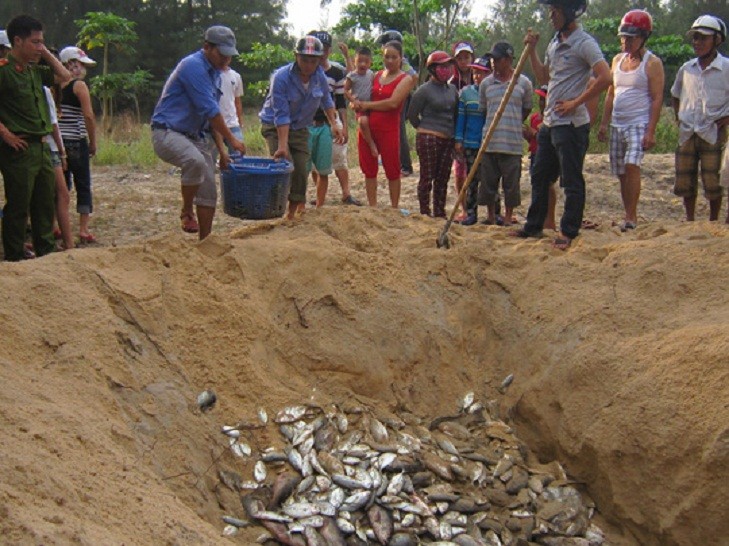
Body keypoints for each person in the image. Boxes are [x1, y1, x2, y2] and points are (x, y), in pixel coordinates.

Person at [516, 0, 611, 249]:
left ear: (569, 12)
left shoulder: (584, 43)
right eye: (550, 11)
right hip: (550, 121)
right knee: (540, 175)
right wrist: (533, 50)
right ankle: (534, 226)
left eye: (555, 10)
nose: (551, 16)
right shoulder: (555, 42)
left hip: (571, 124)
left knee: (571, 179)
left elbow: (606, 76)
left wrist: (576, 102)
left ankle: (569, 231)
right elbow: (544, 76)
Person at [152, 25, 245, 239]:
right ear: (207, 47)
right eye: (222, 54)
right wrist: (232, 138)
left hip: (195, 136)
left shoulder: (215, 74)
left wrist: (223, 152)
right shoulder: (192, 66)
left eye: (229, 56)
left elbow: (212, 120)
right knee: (195, 162)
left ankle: (205, 241)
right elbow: (211, 111)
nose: (226, 60)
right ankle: (186, 211)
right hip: (167, 131)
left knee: (209, 188)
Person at [0, 15, 71, 261]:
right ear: (17, 41)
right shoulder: (4, 71)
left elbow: (65, 76)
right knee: (18, 207)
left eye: (42, 41)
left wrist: (46, 53)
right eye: (34, 42)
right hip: (19, 150)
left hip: (42, 147)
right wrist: (6, 134)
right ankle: (14, 258)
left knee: (44, 206)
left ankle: (46, 256)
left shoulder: (34, 71)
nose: (39, 46)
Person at [259, 36, 343, 219]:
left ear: (319, 60)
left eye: (313, 60)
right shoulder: (281, 77)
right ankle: (273, 205)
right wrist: (282, 146)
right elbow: (280, 114)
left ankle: (292, 212)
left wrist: (333, 123)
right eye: (304, 59)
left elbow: (326, 100)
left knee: (301, 167)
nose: (308, 65)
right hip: (275, 125)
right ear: (296, 56)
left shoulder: (319, 75)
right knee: (283, 164)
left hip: (300, 127)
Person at [597, 10, 664, 232]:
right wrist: (604, 123)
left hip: (638, 122)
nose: (626, 42)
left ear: (644, 37)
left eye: (631, 38)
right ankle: (627, 214)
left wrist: (651, 131)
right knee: (621, 172)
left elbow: (656, 98)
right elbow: (610, 93)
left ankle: (632, 216)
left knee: (632, 165)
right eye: (624, 37)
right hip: (618, 122)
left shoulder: (652, 63)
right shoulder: (617, 60)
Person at [671, 15, 729, 222]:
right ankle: (690, 219)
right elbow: (675, 94)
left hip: (712, 130)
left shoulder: (726, 68)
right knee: (685, 178)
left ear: (717, 40)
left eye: (703, 38)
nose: (697, 42)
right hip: (688, 131)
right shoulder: (686, 69)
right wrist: (679, 117)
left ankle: (713, 219)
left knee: (713, 179)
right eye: (695, 38)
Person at [351, 40, 414, 208]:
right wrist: (356, 103)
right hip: (367, 129)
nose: (390, 61)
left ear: (401, 58)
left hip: (389, 130)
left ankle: (394, 206)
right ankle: (373, 206)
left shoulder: (405, 79)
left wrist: (367, 105)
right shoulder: (376, 75)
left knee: (393, 170)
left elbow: (393, 103)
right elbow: (359, 90)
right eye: (387, 57)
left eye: (394, 57)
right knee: (369, 169)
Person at [479, 42, 533, 227]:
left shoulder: (524, 83)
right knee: (488, 183)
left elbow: (526, 108)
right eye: (492, 59)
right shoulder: (486, 83)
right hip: (490, 141)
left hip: (512, 142)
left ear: (509, 60)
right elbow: (484, 110)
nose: (493, 62)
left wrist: (512, 121)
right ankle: (491, 216)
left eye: (498, 59)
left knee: (511, 184)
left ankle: (508, 217)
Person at [306, 31, 360, 208]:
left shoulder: (336, 71)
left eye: (326, 48)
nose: (323, 52)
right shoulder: (306, 71)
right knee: (315, 162)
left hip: (331, 120)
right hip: (309, 121)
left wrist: (344, 126)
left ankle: (346, 193)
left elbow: (340, 101)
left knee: (339, 158)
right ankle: (320, 195)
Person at [408, 51, 459, 217]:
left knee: (443, 178)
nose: (446, 70)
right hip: (428, 137)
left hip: (447, 138)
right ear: (432, 69)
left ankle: (439, 211)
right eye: (442, 66)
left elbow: (455, 114)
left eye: (448, 66)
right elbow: (412, 115)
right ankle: (424, 211)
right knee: (427, 176)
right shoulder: (423, 91)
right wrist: (424, 129)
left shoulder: (452, 89)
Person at [58, 46, 98, 244]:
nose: (82, 70)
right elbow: (88, 115)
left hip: (58, 144)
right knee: (83, 185)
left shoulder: (53, 86)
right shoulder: (79, 86)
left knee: (61, 187)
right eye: (80, 64)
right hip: (76, 141)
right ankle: (83, 229)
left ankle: (56, 226)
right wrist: (93, 141)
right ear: (70, 64)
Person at [454, 55, 491, 225]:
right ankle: (471, 213)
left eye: (482, 73)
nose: (478, 76)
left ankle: (494, 213)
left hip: (488, 143)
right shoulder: (466, 93)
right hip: (470, 142)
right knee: (471, 180)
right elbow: (461, 118)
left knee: (490, 179)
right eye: (475, 72)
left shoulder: (493, 92)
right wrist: (459, 140)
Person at [376, 30, 417, 177]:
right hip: (393, 96)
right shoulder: (390, 60)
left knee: (399, 130)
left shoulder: (403, 62)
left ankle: (406, 165)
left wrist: (404, 89)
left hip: (401, 98)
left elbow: (414, 76)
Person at [42, 76, 74, 250]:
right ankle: (68, 242)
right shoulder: (44, 91)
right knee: (62, 194)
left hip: (48, 147)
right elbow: (54, 125)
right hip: (51, 148)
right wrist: (62, 153)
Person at [450, 41, 475, 220]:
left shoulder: (481, 79)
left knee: (475, 171)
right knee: (459, 171)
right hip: (458, 130)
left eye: (467, 57)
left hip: (475, 130)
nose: (464, 61)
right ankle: (463, 207)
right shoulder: (452, 82)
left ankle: (473, 207)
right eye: (460, 58)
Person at [345, 46, 377, 158]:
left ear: (370, 63)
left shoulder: (371, 74)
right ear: (355, 61)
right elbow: (345, 90)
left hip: (371, 106)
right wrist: (353, 100)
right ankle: (371, 144)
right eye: (359, 61)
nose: (362, 64)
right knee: (363, 122)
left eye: (366, 62)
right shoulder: (352, 76)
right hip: (360, 106)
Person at [218, 63, 244, 155]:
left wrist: (240, 123)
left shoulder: (236, 76)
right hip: (214, 124)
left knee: (239, 152)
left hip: (232, 124)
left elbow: (237, 101)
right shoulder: (209, 75)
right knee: (209, 158)